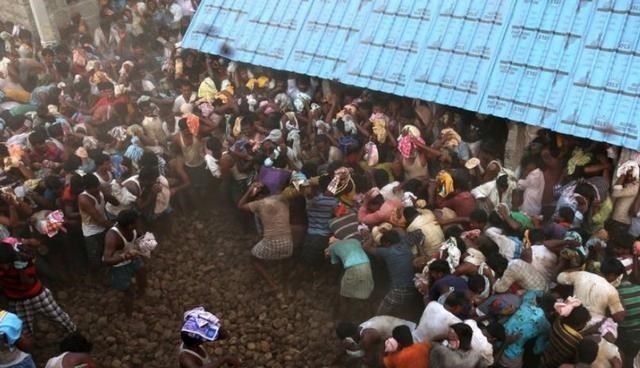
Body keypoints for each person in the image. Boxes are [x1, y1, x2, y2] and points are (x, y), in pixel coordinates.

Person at [0, 241, 75, 335]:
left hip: (37, 295)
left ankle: (75, 334)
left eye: (6, 263)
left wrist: (20, 271)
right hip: (17, 301)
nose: (4, 267)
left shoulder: (24, 260)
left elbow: (28, 283)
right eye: (1, 264)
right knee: (23, 331)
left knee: (60, 317)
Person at [238, 182, 293, 291]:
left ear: (258, 196)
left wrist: (249, 191)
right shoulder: (283, 199)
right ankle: (285, 283)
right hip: (288, 243)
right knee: (285, 258)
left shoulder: (259, 203)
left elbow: (240, 205)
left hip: (272, 242)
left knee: (253, 258)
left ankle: (273, 285)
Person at [361, 229, 418, 316]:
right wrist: (388, 231)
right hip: (413, 289)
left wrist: (371, 237)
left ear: (387, 243)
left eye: (383, 245)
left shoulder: (387, 252)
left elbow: (365, 247)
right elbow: (400, 231)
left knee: (379, 315)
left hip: (399, 290)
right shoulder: (405, 243)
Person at [102, 209, 146, 315]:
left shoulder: (134, 227)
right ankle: (129, 314)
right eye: (137, 221)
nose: (139, 222)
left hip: (133, 256)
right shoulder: (113, 237)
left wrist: (146, 243)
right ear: (130, 226)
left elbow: (141, 236)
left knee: (143, 273)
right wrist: (125, 256)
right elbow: (106, 260)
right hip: (119, 265)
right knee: (129, 291)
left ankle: (141, 295)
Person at [78, 174, 115, 271]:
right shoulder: (84, 199)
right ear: (87, 188)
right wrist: (115, 227)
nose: (97, 189)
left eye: (98, 186)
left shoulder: (99, 189)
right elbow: (99, 220)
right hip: (91, 232)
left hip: (104, 226)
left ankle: (107, 269)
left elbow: (111, 199)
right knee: (95, 256)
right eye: (94, 188)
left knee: (105, 251)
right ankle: (97, 275)